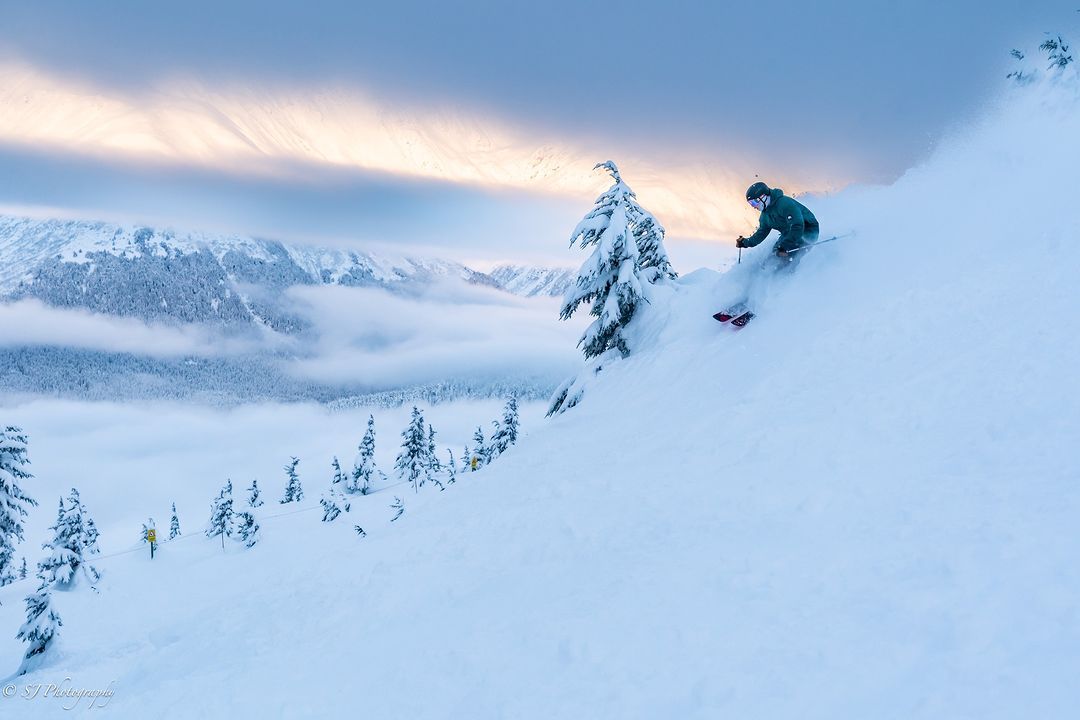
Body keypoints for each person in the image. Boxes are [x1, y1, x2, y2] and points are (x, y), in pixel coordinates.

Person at [736, 182, 819, 259]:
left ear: (763, 197)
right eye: (751, 204)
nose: (754, 206)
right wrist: (745, 242)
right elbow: (761, 234)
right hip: (789, 232)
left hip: (807, 229)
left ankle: (789, 271)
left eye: (754, 202)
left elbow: (798, 225)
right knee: (775, 253)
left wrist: (785, 245)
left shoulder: (784, 204)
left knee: (786, 254)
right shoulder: (765, 216)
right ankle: (767, 272)